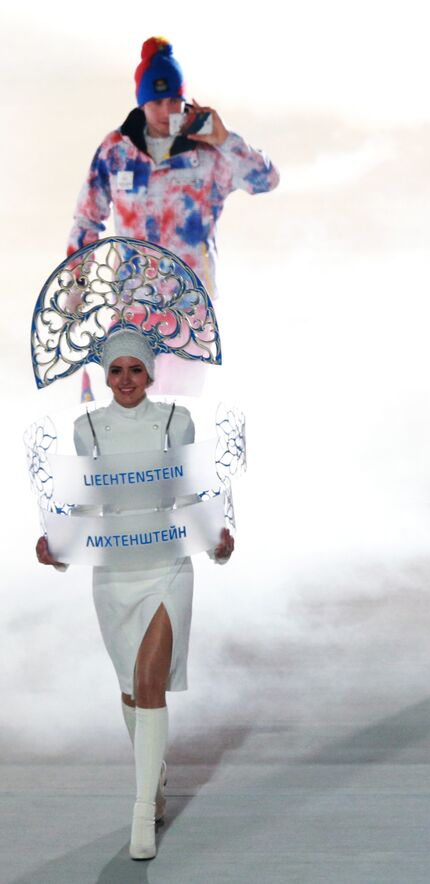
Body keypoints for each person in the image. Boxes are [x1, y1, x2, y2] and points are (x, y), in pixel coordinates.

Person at [36, 330, 234, 860]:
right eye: (117, 370)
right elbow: (83, 503)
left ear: (151, 373)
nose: (126, 380)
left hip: (168, 565)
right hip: (113, 572)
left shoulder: (177, 422)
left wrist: (216, 540)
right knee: (131, 689)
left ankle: (141, 813)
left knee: (150, 684)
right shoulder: (86, 429)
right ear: (106, 375)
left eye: (136, 370)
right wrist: (56, 545)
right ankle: (156, 777)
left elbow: (194, 491)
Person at [67, 36, 279, 393]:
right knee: (125, 411)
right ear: (142, 102)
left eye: (174, 100)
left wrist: (225, 139)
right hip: (131, 308)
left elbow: (266, 180)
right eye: (157, 102)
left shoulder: (209, 153)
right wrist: (77, 283)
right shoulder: (116, 151)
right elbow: (87, 220)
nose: (167, 111)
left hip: (190, 309)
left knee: (177, 413)